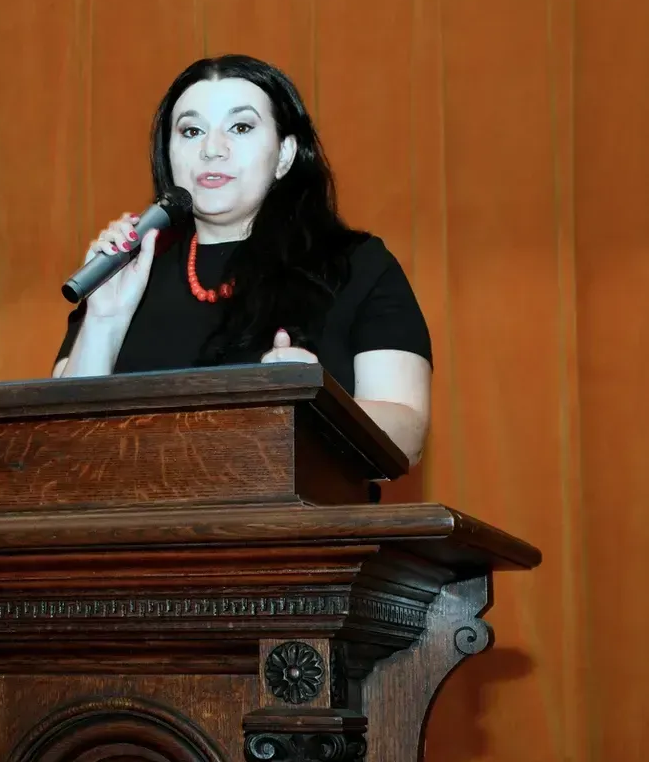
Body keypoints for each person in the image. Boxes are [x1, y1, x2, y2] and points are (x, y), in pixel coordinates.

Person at [54, 55, 433, 464]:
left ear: (285, 154)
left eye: (241, 127)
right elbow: (63, 447)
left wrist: (318, 402)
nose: (212, 149)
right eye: (191, 130)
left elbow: (407, 434)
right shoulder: (128, 272)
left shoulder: (356, 266)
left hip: (298, 524)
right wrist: (105, 320)